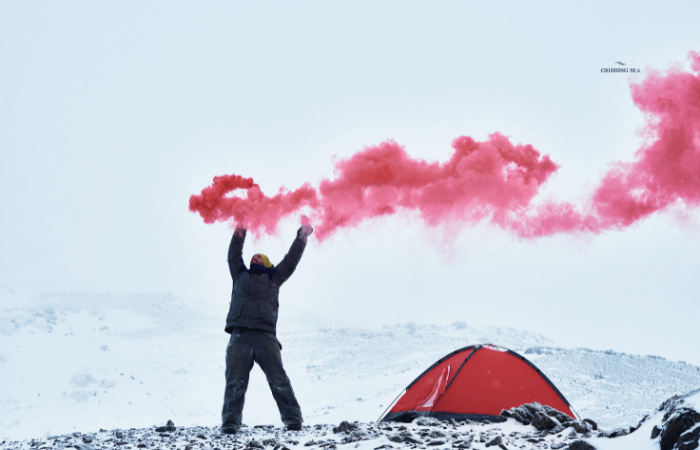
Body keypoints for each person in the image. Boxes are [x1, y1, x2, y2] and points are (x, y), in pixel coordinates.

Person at [221, 222, 314, 434]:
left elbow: (291, 261)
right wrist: (240, 231)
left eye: (260, 257)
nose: (255, 257)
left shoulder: (274, 278)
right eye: (253, 256)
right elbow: (234, 254)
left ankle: (293, 420)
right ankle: (230, 423)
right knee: (235, 382)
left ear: (268, 263)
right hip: (239, 336)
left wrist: (301, 238)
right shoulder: (239, 275)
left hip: (266, 338)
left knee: (279, 379)